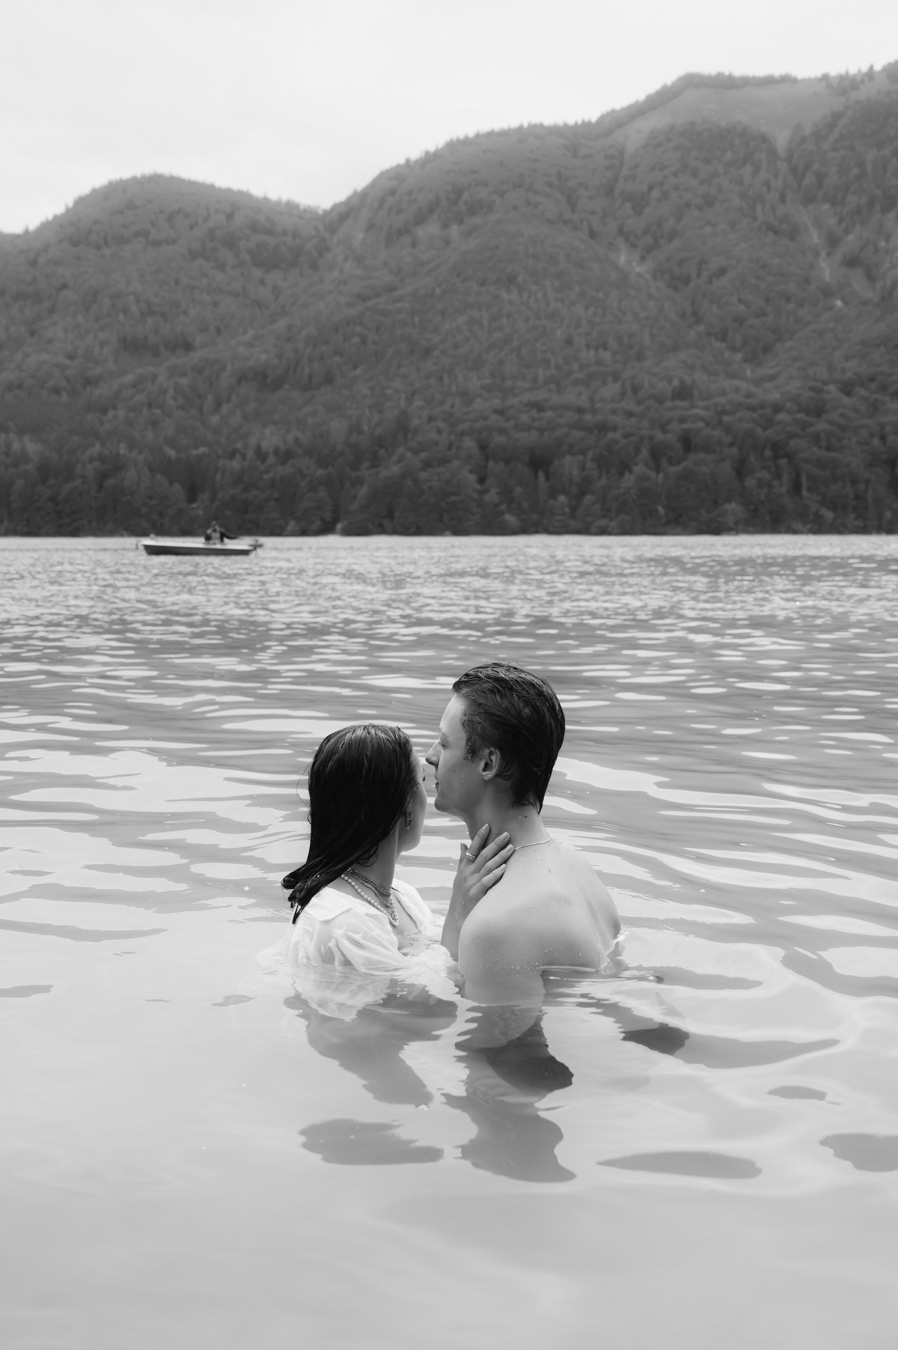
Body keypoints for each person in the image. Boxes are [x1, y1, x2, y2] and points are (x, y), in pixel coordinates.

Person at [426, 663, 621, 1000]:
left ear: (489, 763)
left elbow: (481, 1036)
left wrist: (458, 928)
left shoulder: (496, 925)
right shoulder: (579, 870)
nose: (430, 756)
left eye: (444, 744)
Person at [279, 722, 502, 981]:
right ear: (406, 803)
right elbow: (428, 1002)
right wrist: (457, 912)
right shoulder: (339, 924)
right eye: (422, 780)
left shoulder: (402, 897)